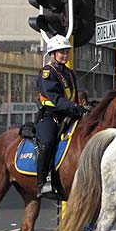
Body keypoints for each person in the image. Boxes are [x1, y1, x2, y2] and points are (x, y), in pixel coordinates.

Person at [36, 34, 86, 198]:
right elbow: (55, 99)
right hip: (51, 116)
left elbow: (74, 96)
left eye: (66, 52)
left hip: (69, 115)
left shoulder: (69, 73)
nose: (65, 55)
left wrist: (84, 107)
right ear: (53, 54)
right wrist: (74, 107)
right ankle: (43, 182)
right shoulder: (47, 73)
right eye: (61, 52)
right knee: (48, 142)